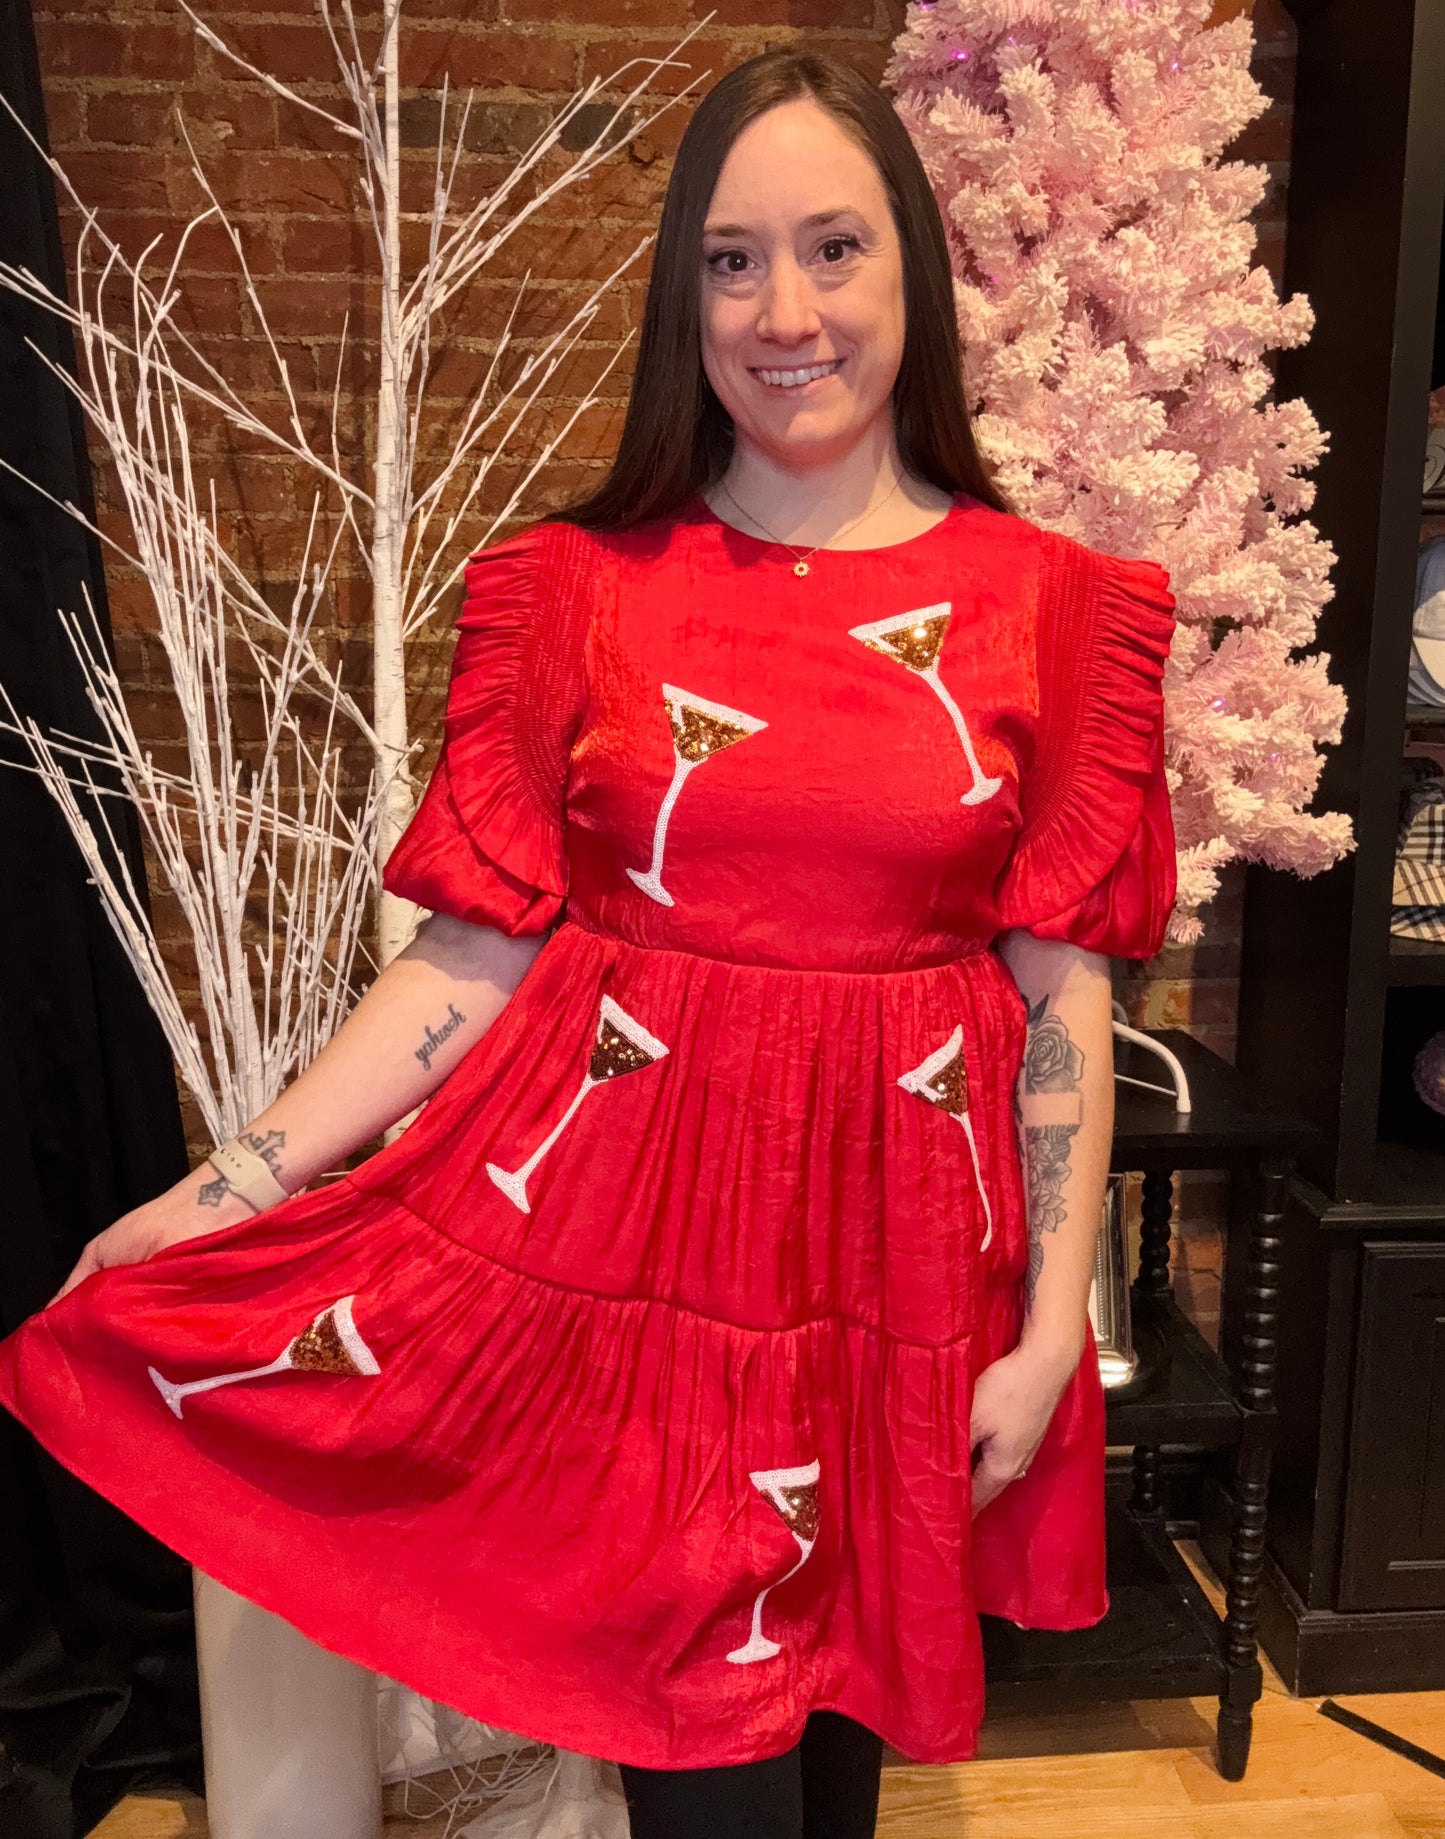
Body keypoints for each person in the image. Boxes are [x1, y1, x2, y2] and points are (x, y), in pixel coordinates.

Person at [0, 47, 1177, 1839]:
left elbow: (1062, 1004)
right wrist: (231, 1186)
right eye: (728, 258)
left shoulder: (1054, 610)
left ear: (910, 281)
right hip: (631, 1260)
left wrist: (1042, 1331)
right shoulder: (574, 592)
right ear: (680, 295)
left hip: (899, 1277)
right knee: (702, 1774)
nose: (784, 311)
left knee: (833, 1770)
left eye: (834, 249)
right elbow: (465, 958)